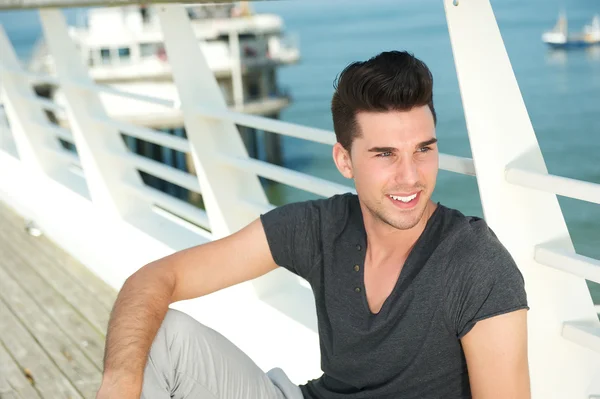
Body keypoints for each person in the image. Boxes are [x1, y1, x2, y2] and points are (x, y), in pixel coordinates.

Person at [96, 51, 531, 399]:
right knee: (160, 336)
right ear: (345, 160)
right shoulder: (319, 227)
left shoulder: (477, 263)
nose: (411, 176)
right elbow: (155, 278)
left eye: (423, 149)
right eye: (384, 154)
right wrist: (118, 381)